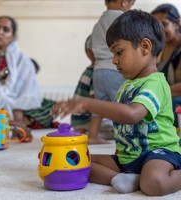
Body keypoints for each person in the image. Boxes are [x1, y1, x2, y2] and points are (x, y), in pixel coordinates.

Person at [52, 10, 181, 196]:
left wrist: (87, 103)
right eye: (113, 54)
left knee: (154, 183)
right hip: (127, 157)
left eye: (119, 52)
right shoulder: (127, 85)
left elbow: (131, 114)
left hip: (158, 153)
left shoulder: (156, 83)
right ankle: (123, 179)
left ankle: (142, 177)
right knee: (77, 160)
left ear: (145, 46)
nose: (114, 60)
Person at [0, 16, 55, 141]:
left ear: (13, 35)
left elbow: (25, 91)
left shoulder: (22, 60)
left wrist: (17, 119)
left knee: (50, 108)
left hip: (15, 101)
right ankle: (10, 122)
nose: (0, 32)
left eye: (6, 29)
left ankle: (10, 122)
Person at [86, 0, 136, 144]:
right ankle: (126, 138)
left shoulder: (98, 23)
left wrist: (96, 61)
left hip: (98, 70)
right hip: (114, 70)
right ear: (124, 3)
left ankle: (93, 136)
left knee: (99, 104)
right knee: (122, 104)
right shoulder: (123, 19)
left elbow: (88, 46)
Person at [71, 35, 113, 144]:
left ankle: (84, 133)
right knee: (118, 129)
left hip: (78, 121)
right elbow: (96, 103)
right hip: (86, 121)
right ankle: (93, 136)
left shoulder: (89, 70)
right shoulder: (98, 73)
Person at [151, 4, 181, 128]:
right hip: (165, 98)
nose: (160, 30)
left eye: (164, 24)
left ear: (177, 24)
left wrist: (159, 93)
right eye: (156, 26)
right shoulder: (159, 50)